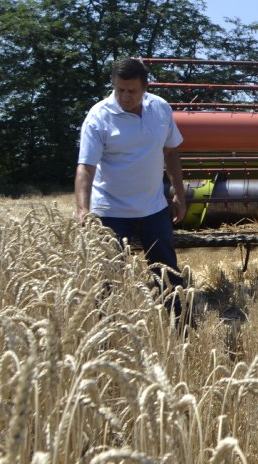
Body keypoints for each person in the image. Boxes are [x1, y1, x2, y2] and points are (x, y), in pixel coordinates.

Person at [75, 57, 187, 311]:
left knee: (168, 275)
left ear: (145, 88)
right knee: (109, 280)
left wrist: (179, 194)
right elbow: (86, 166)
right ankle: (106, 339)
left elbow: (171, 152)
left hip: (154, 209)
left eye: (132, 91)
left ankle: (181, 331)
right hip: (110, 213)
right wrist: (83, 208)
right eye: (119, 90)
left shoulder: (160, 109)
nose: (125, 97)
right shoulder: (99, 117)